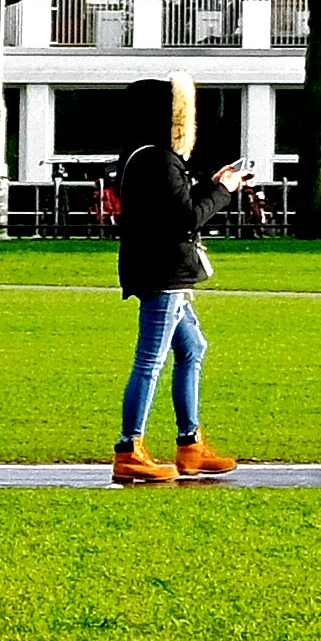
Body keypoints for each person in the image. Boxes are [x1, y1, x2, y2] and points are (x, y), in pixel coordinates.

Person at [106, 76, 249, 484]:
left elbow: (172, 205)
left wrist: (212, 184)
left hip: (159, 268)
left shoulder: (142, 155)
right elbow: (185, 218)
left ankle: (190, 443)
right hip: (163, 271)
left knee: (193, 348)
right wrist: (223, 191)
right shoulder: (158, 159)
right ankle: (129, 446)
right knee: (150, 360)